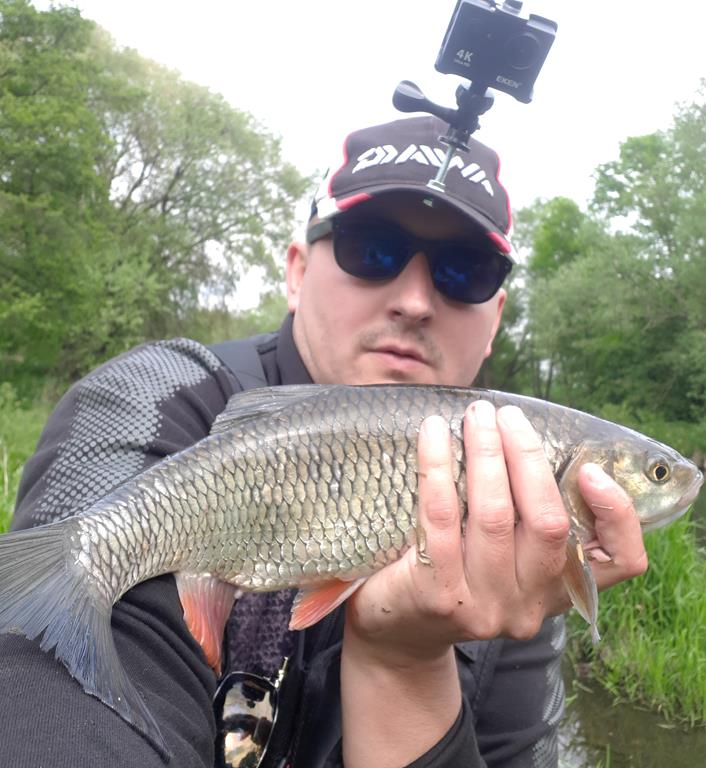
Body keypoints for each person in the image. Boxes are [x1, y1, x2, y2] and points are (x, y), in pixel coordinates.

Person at [0, 115, 647, 768]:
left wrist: (404, 661)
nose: (415, 300)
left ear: (495, 321)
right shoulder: (159, 398)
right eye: (373, 249)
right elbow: (52, 720)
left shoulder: (524, 542)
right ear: (297, 270)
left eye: (464, 270)